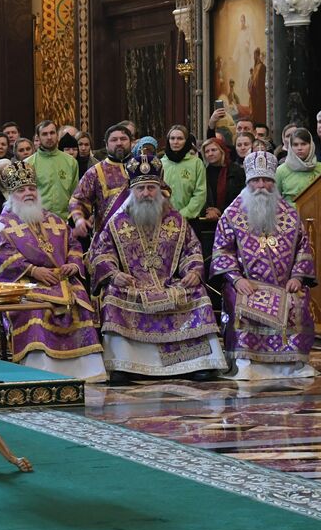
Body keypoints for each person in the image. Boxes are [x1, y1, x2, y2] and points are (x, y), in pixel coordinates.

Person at [88, 156, 226, 382]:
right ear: (132, 191)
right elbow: (101, 253)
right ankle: (125, 364)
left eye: (151, 188)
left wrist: (193, 271)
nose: (146, 193)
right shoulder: (117, 222)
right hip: (132, 284)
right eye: (140, 188)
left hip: (169, 283)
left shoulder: (177, 220)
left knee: (198, 292)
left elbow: (191, 249)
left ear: (160, 189)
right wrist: (114, 274)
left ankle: (196, 363)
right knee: (114, 294)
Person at [0, 161, 106, 381]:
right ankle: (41, 369)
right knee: (37, 309)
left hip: (61, 280)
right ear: (11, 195)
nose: (28, 193)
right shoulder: (2, 224)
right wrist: (33, 270)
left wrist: (73, 264)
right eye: (21, 190)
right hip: (25, 283)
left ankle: (87, 370)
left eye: (31, 189)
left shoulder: (54, 219)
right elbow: (0, 255)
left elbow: (73, 244)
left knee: (80, 300)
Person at [210, 150, 317, 380]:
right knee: (239, 301)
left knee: (299, 301)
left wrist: (297, 277)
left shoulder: (289, 212)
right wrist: (236, 280)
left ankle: (294, 363)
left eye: (267, 180)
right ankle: (245, 361)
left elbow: (303, 247)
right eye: (256, 180)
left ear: (273, 182)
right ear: (248, 182)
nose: (261, 185)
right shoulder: (232, 214)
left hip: (283, 285)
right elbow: (221, 250)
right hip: (246, 284)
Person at [69, 122, 134, 241]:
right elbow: (78, 200)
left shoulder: (142, 168)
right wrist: (79, 219)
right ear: (106, 144)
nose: (119, 143)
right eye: (114, 140)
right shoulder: (95, 172)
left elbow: (163, 193)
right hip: (107, 237)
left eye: (123, 139)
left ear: (131, 142)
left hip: (139, 236)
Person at [27, 121, 78, 220]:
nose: (49, 137)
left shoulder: (71, 161)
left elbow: (75, 194)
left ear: (57, 135)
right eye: (45, 134)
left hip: (65, 220)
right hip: (39, 220)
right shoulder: (28, 164)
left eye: (52, 133)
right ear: (38, 138)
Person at [162, 125, 206, 219]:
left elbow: (200, 193)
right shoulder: (161, 163)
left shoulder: (196, 163)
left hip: (189, 218)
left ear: (186, 141)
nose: (175, 142)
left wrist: (183, 214)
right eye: (172, 138)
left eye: (180, 138)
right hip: (163, 217)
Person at [203, 136, 245, 220]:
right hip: (208, 217)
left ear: (222, 151)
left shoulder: (236, 171)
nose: (210, 153)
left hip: (233, 216)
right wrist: (209, 211)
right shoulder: (203, 172)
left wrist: (220, 210)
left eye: (214, 150)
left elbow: (241, 195)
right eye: (207, 151)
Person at [278, 128, 319, 202]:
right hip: (290, 212)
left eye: (303, 144)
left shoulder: (319, 168)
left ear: (311, 145)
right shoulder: (281, 170)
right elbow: (275, 199)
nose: (299, 148)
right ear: (290, 147)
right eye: (295, 145)